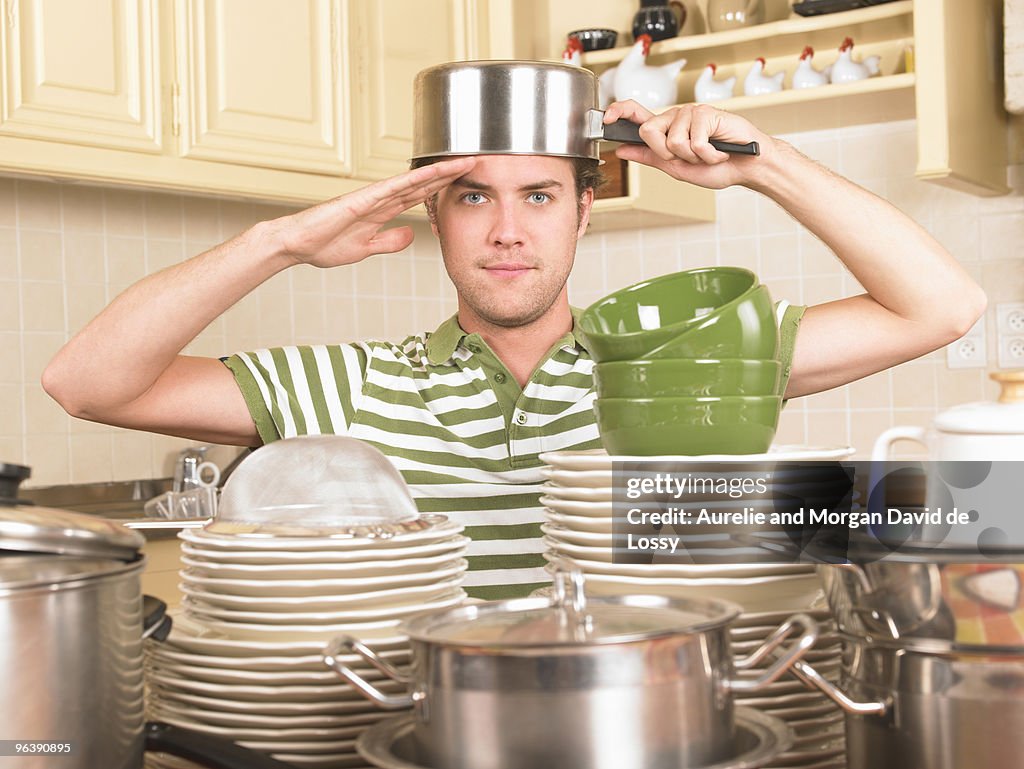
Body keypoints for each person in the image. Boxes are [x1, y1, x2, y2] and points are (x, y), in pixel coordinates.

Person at [42, 99, 986, 599]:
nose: (506, 231)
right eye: (472, 195)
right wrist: (279, 241)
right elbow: (83, 382)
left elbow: (941, 308)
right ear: (433, 215)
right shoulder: (347, 382)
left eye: (538, 195)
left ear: (585, 208)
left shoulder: (679, 360)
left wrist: (766, 165)